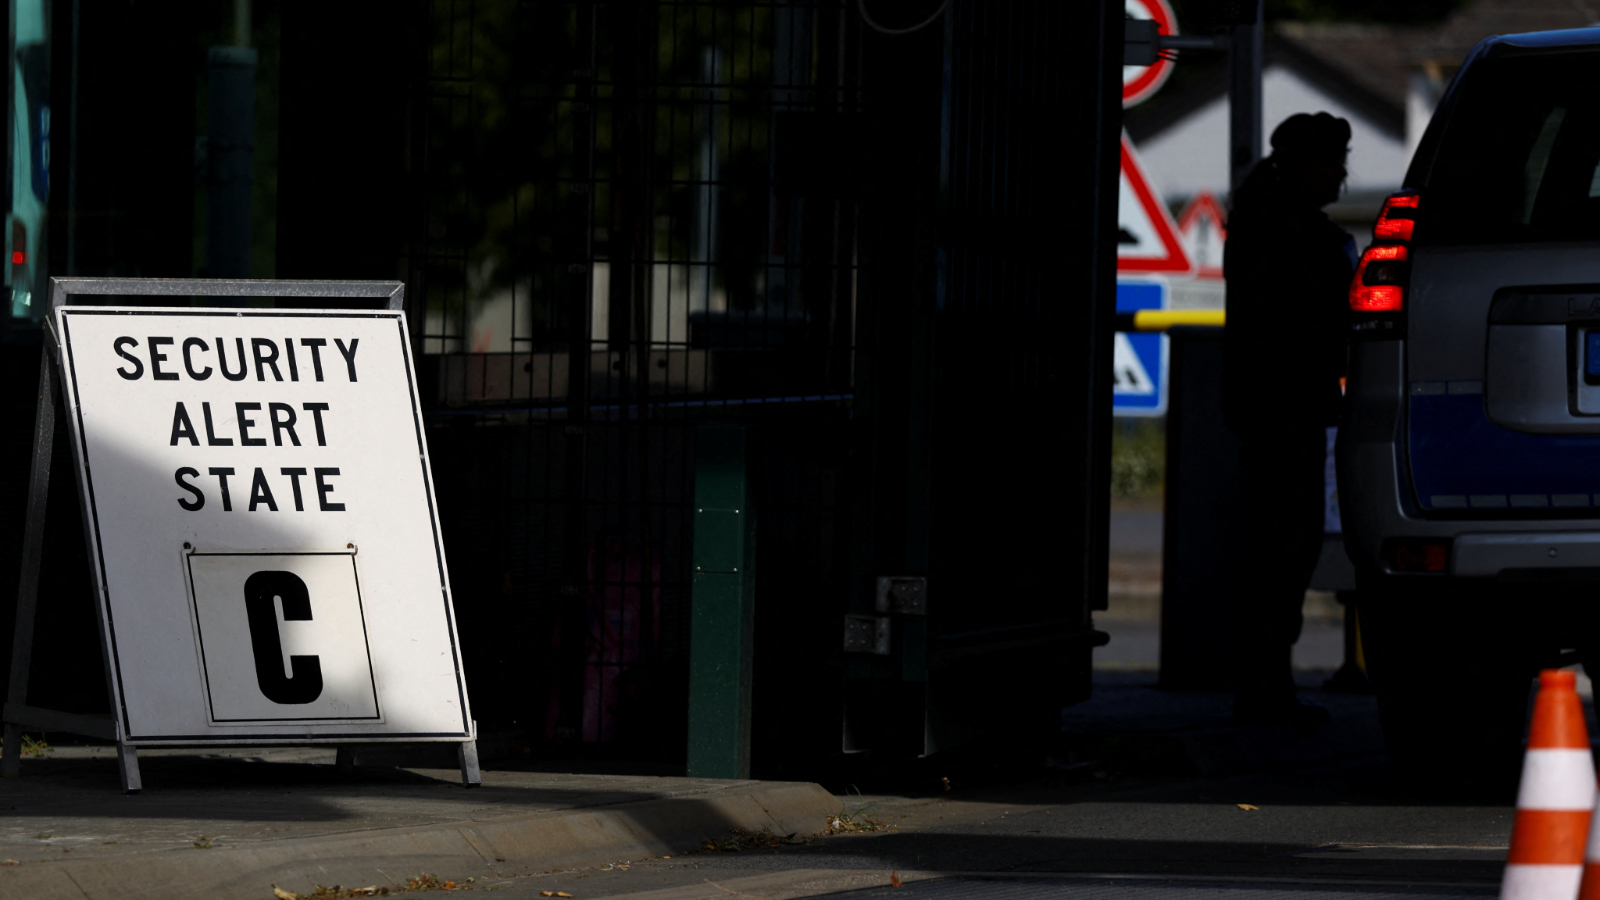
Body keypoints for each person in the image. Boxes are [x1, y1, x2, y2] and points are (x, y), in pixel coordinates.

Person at [1221, 112, 1356, 725]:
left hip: (1273, 407)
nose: (1341, 176)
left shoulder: (1263, 224)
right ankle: (1265, 686)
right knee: (1282, 552)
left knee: (1277, 551)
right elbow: (1316, 320)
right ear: (1304, 167)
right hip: (1286, 409)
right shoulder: (1293, 236)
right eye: (1332, 164)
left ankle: (1265, 682)